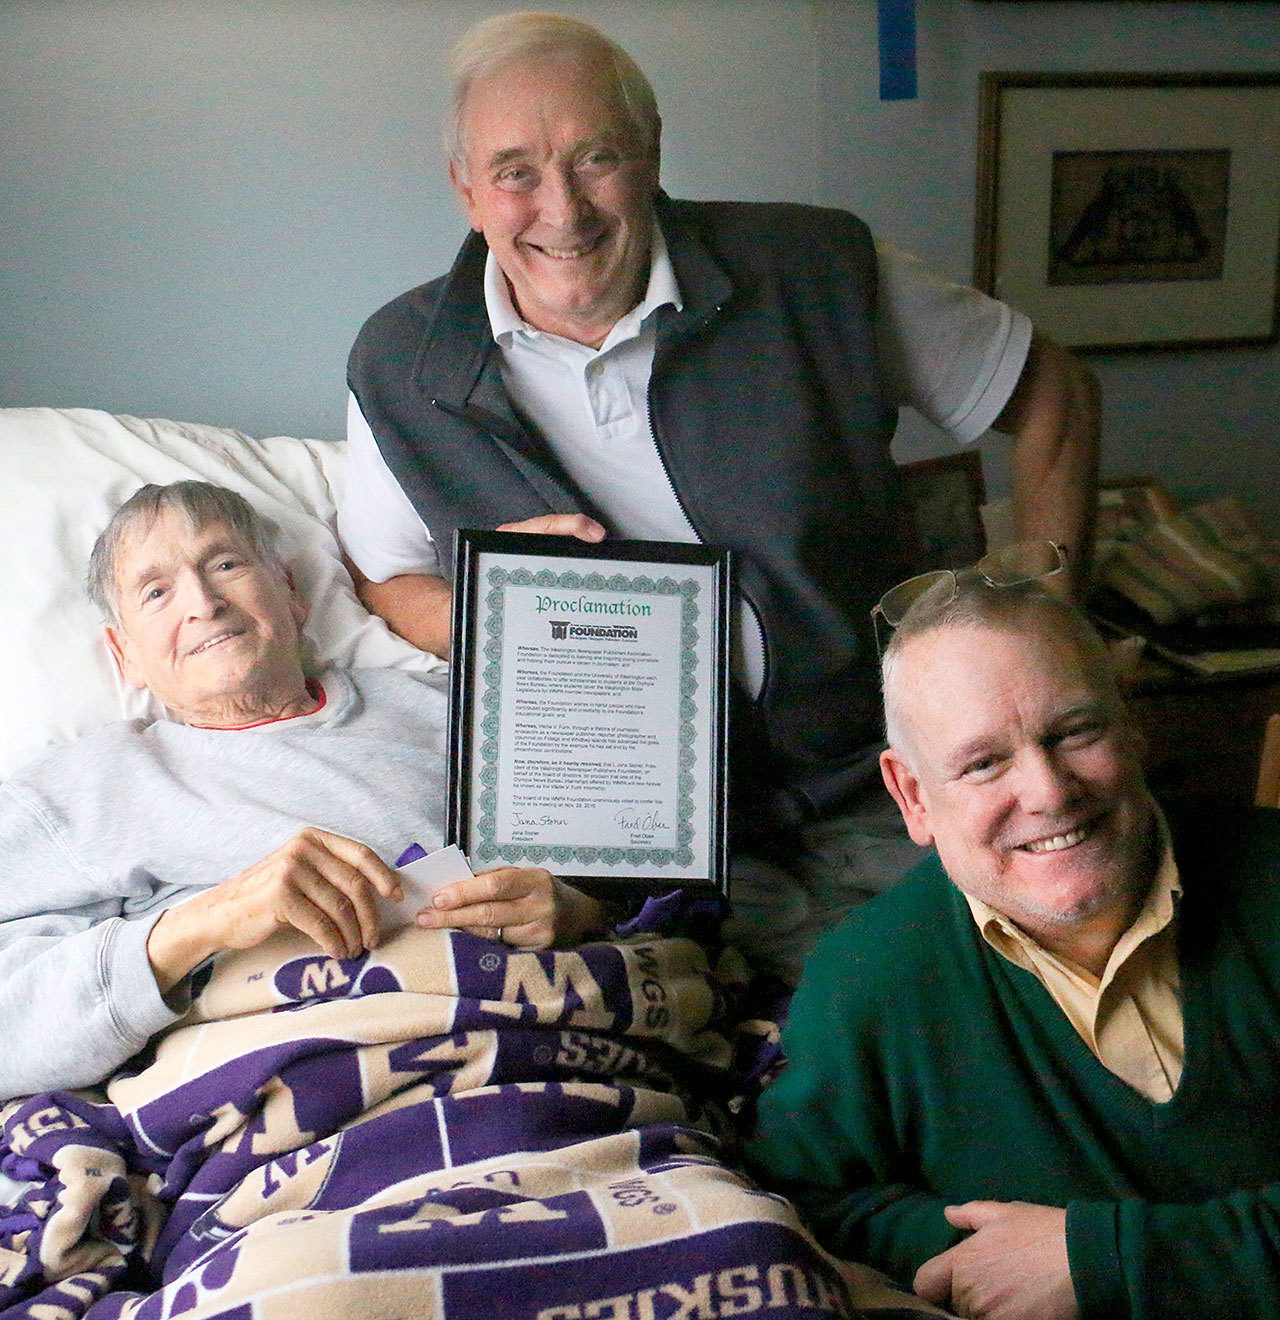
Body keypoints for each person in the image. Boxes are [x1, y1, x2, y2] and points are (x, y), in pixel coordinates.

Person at [340, 11, 1101, 980]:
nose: (563, 210)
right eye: (516, 172)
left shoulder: (815, 270)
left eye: (596, 158)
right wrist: (511, 618)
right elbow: (384, 577)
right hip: (627, 833)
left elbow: (1051, 396)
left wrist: (1046, 615)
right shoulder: (400, 363)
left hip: (879, 768)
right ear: (465, 191)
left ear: (651, 157)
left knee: (993, 1006)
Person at [747, 553, 1280, 1319]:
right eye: (984, 762)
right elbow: (810, 1198)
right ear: (911, 795)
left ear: (1132, 729)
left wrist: (1103, 1260)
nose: (1048, 792)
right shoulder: (866, 978)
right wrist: (981, 1255)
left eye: (1074, 731)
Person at [0, 481, 610, 1102]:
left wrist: (578, 908)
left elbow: (644, 874)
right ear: (123, 653)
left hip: (539, 1067)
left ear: (291, 595)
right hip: (290, 1115)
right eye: (156, 592)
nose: (204, 603)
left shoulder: (452, 711)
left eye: (226, 565)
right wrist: (206, 921)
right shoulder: (78, 793)